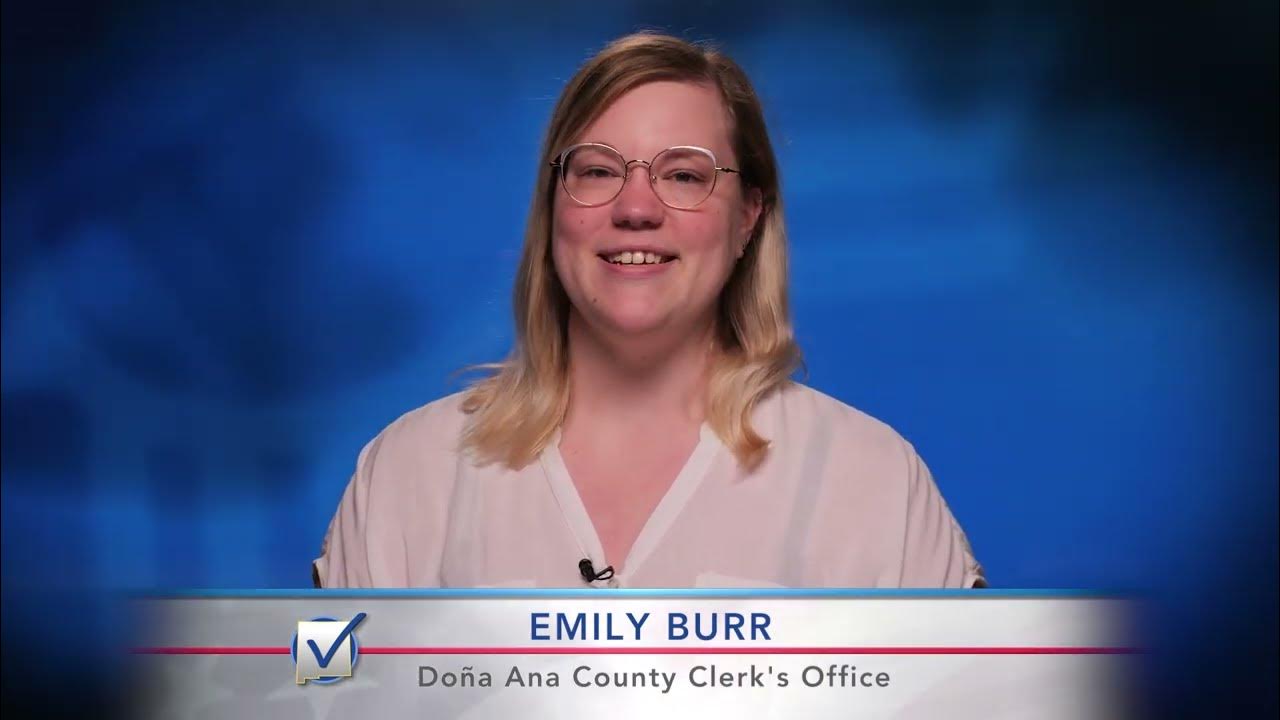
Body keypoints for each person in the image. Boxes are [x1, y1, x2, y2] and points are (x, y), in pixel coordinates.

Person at [312, 32, 985, 589]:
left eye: (684, 175)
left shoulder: (870, 478)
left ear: (748, 216)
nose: (636, 209)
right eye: (599, 171)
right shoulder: (412, 471)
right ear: (553, 209)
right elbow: (321, 691)